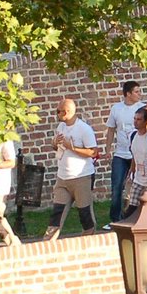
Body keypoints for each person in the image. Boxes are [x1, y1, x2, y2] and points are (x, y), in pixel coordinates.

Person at [45, 99, 98, 240]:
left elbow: (93, 152)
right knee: (57, 213)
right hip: (63, 177)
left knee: (84, 213)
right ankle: (47, 244)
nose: (56, 114)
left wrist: (72, 147)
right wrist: (54, 143)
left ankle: (89, 241)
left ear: (67, 111)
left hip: (81, 176)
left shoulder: (84, 129)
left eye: (58, 111)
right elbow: (56, 147)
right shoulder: (61, 126)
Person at [102, 81, 145, 228]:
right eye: (136, 92)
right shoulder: (117, 109)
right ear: (128, 94)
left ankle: (138, 217)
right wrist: (107, 150)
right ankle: (116, 220)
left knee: (139, 186)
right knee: (117, 186)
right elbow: (111, 130)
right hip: (121, 154)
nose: (139, 94)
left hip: (137, 154)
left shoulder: (142, 108)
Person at [124, 107, 147, 216]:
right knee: (131, 208)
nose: (135, 122)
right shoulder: (133, 136)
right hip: (138, 180)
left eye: (139, 119)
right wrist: (131, 170)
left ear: (146, 121)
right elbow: (135, 156)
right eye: (134, 119)